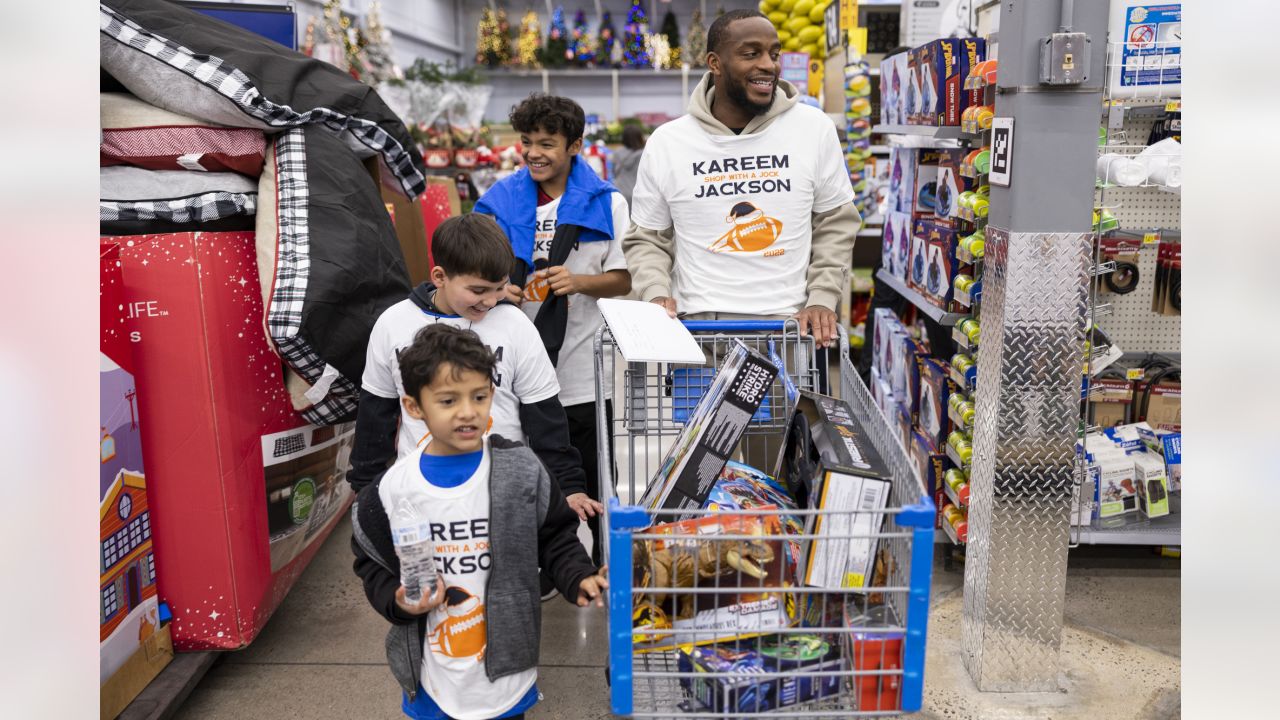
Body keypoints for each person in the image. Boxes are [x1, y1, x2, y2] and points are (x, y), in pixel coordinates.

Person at [351, 323, 607, 720]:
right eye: (448, 400)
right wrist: (396, 600)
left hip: (507, 673)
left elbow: (555, 536)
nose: (468, 412)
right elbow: (371, 560)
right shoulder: (394, 489)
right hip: (431, 678)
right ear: (414, 407)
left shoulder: (520, 470)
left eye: (480, 396)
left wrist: (578, 577)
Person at [350, 213, 598, 598]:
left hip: (504, 492)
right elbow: (375, 418)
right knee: (436, 600)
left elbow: (546, 418)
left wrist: (568, 487)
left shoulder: (514, 325)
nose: (490, 300)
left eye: (499, 288)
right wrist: (366, 492)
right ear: (439, 276)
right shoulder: (392, 325)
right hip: (423, 496)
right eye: (478, 290)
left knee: (509, 599)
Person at [623, 9, 862, 348]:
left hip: (788, 328)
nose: (768, 64)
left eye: (773, 54)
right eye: (751, 54)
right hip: (696, 330)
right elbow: (648, 237)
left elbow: (835, 222)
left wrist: (822, 297)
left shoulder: (812, 128)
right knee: (694, 405)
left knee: (785, 405)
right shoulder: (668, 142)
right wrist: (655, 294)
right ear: (715, 63)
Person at [474, 94, 631, 565]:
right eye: (527, 142)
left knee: (598, 479)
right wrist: (500, 289)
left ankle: (606, 565)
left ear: (575, 145)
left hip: (587, 373)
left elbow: (626, 278)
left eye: (547, 143)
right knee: (526, 480)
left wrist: (580, 281)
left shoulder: (607, 204)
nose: (534, 153)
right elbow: (472, 275)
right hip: (516, 375)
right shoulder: (497, 203)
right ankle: (540, 568)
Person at [610, 124, 647, 207]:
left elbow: (614, 173)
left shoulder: (617, 153)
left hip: (619, 193)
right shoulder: (644, 154)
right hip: (638, 194)